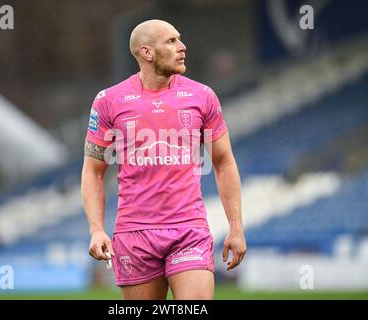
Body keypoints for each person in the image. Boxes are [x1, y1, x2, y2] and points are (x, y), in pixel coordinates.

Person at [81, 19, 246, 300]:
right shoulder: (108, 101)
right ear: (146, 52)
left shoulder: (202, 96)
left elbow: (223, 162)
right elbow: (93, 172)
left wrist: (236, 227)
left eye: (179, 39)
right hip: (134, 234)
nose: (182, 47)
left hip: (188, 229)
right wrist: (96, 230)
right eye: (171, 41)